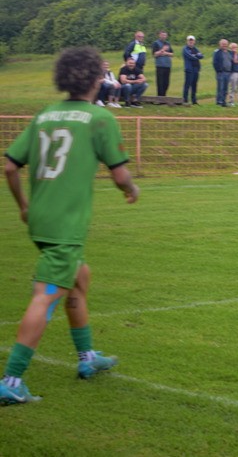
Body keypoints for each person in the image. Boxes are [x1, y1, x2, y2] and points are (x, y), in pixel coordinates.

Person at [0, 46, 139, 406]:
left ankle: (87, 357)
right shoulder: (98, 118)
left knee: (79, 277)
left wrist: (24, 205)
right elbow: (120, 174)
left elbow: (11, 166)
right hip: (65, 223)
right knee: (46, 294)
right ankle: (11, 380)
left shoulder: (45, 114)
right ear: (96, 79)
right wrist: (131, 189)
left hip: (41, 218)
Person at [151, 30, 174, 96]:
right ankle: (160, 97)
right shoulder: (156, 43)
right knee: (160, 83)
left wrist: (166, 53)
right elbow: (155, 54)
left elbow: (172, 54)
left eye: (165, 35)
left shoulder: (168, 43)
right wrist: (162, 50)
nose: (164, 36)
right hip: (160, 65)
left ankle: (164, 96)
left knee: (166, 83)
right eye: (162, 35)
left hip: (167, 65)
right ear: (159, 35)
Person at [182, 35, 203, 105]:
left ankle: (194, 100)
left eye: (192, 40)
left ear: (194, 41)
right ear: (187, 41)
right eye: (189, 40)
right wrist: (196, 55)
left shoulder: (195, 49)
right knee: (187, 85)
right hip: (189, 69)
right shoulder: (185, 49)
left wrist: (195, 55)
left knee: (194, 85)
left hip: (196, 69)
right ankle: (185, 100)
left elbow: (201, 56)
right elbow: (190, 56)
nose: (191, 42)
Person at [212, 39, 233, 108]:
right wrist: (218, 70)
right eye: (223, 44)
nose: (224, 45)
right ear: (220, 44)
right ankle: (220, 101)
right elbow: (215, 62)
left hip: (228, 72)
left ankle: (223, 101)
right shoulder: (217, 52)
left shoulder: (230, 52)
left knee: (225, 88)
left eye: (226, 44)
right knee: (220, 88)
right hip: (221, 72)